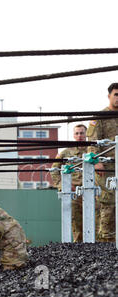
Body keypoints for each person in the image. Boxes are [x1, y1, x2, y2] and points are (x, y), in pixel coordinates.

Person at [50, 124, 100, 242]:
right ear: (73, 135)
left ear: (86, 134)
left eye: (82, 133)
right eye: (77, 133)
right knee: (76, 225)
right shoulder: (66, 153)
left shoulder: (94, 151)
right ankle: (77, 250)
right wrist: (63, 185)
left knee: (96, 224)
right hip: (74, 193)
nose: (79, 136)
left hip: (94, 193)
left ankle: (97, 250)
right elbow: (54, 170)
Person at [86, 82, 118, 242]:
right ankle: (106, 241)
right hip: (107, 167)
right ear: (109, 96)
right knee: (108, 203)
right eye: (116, 95)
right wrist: (97, 160)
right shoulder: (100, 117)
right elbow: (92, 140)